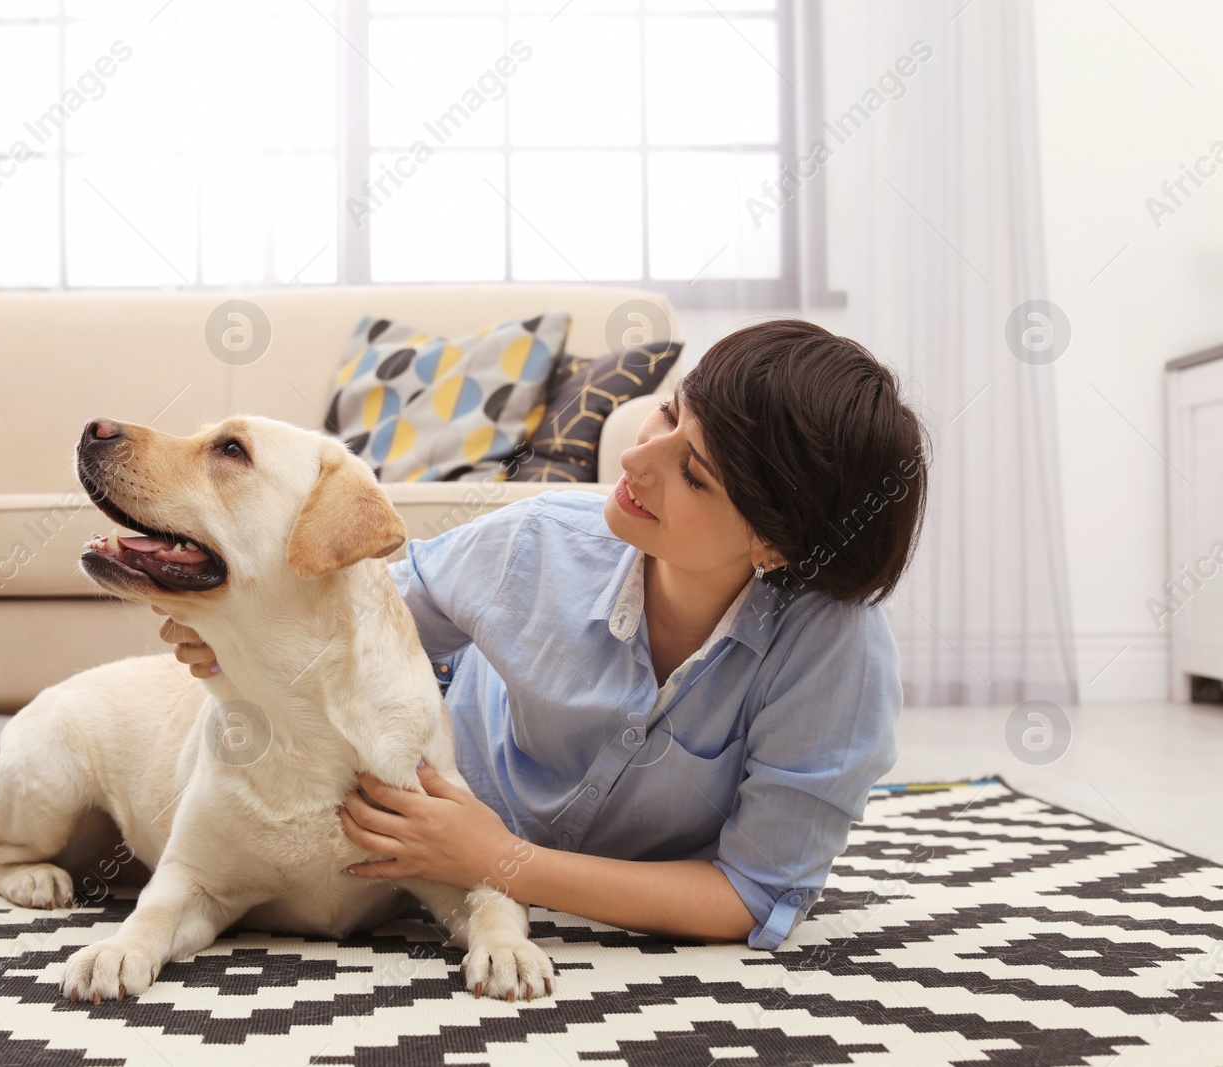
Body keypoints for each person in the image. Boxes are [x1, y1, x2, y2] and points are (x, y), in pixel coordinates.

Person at [157, 319, 928, 950]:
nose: (635, 457)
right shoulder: (536, 541)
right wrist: (235, 632)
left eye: (693, 472)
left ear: (775, 546)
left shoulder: (836, 658)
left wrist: (502, 861)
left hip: (474, 859)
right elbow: (355, 618)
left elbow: (745, 895)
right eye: (667, 412)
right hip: (433, 812)